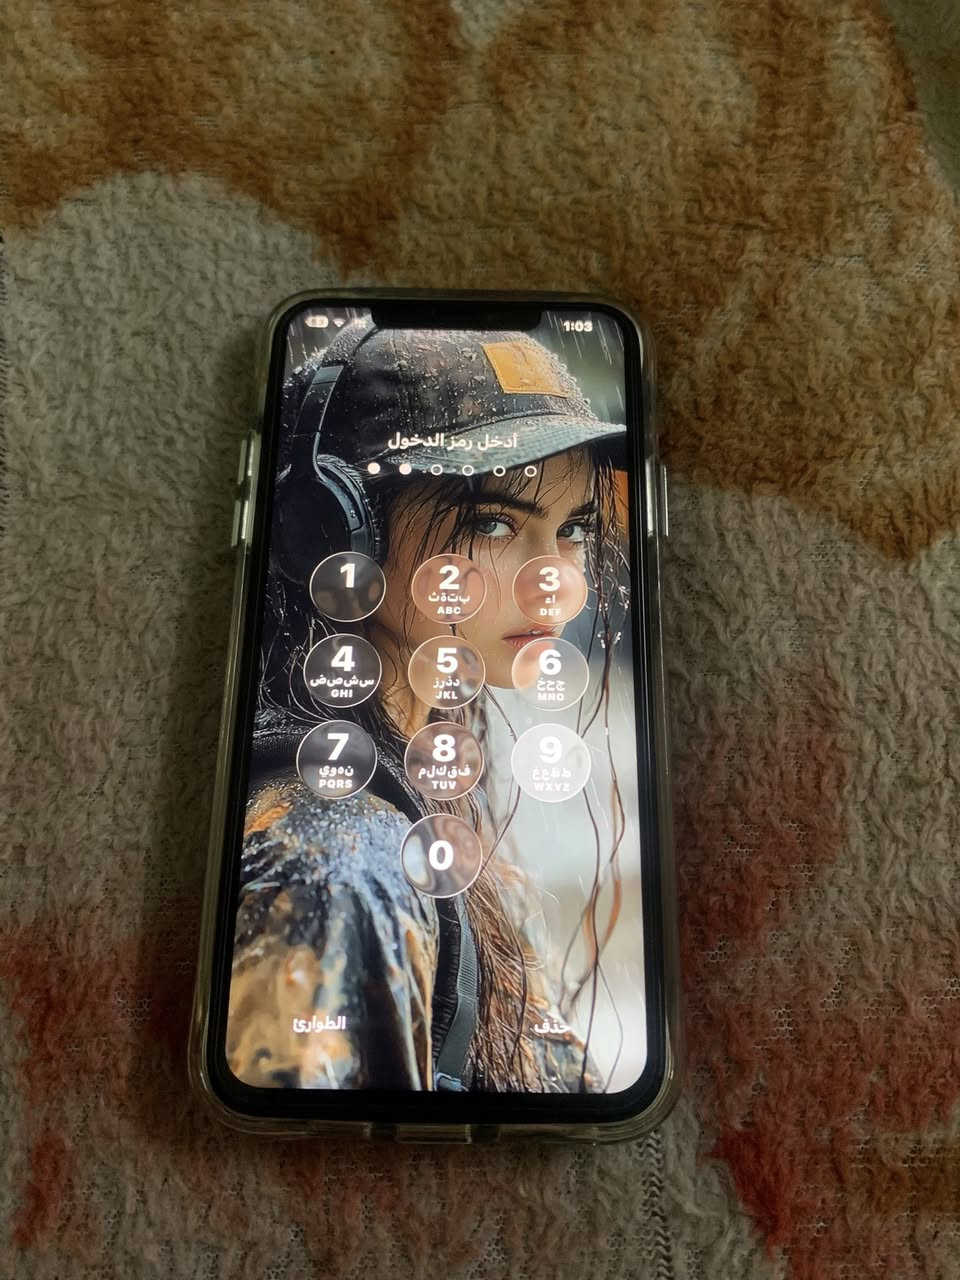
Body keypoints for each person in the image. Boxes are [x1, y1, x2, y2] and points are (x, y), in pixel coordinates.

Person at [226, 321, 629, 1092]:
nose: (556, 583)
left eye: (574, 529)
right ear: (335, 535)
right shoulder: (334, 861)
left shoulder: (415, 798)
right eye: (493, 523)